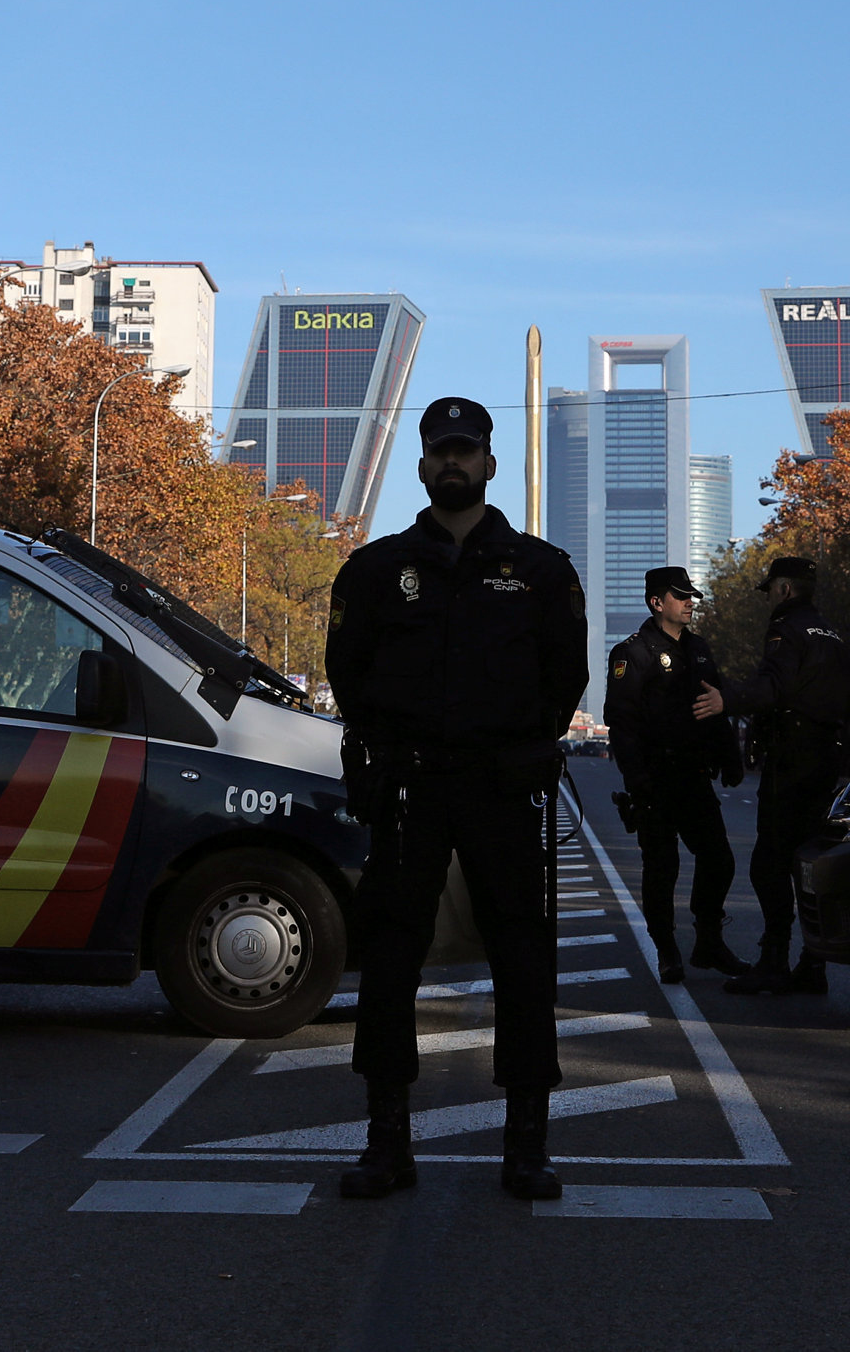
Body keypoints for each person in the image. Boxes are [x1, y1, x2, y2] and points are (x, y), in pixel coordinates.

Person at [324, 395, 587, 1202]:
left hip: (501, 781)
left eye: (466, 451)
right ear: (423, 464)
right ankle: (386, 1141)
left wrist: (526, 745)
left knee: (523, 959)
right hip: (407, 781)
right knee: (391, 958)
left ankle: (527, 1145)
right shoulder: (376, 569)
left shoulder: (541, 571)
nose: (453, 462)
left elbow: (565, 675)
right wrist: (373, 749)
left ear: (489, 464)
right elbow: (347, 670)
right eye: (441, 450)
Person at [602, 566, 751, 986]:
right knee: (661, 867)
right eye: (681, 596)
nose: (690, 602)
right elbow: (622, 724)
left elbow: (714, 704)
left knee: (719, 858)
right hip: (655, 777)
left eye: (691, 596)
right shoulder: (633, 652)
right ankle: (666, 949)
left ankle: (709, 940)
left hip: (693, 775)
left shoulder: (699, 648)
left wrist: (731, 756)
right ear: (657, 602)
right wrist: (638, 781)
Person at [723, 555, 850, 997]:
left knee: (770, 863)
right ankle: (813, 963)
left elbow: (772, 689)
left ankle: (774, 960)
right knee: (810, 861)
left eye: (771, 589)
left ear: (783, 588)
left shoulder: (786, 629)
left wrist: (727, 700)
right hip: (826, 757)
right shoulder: (833, 634)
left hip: (793, 758)